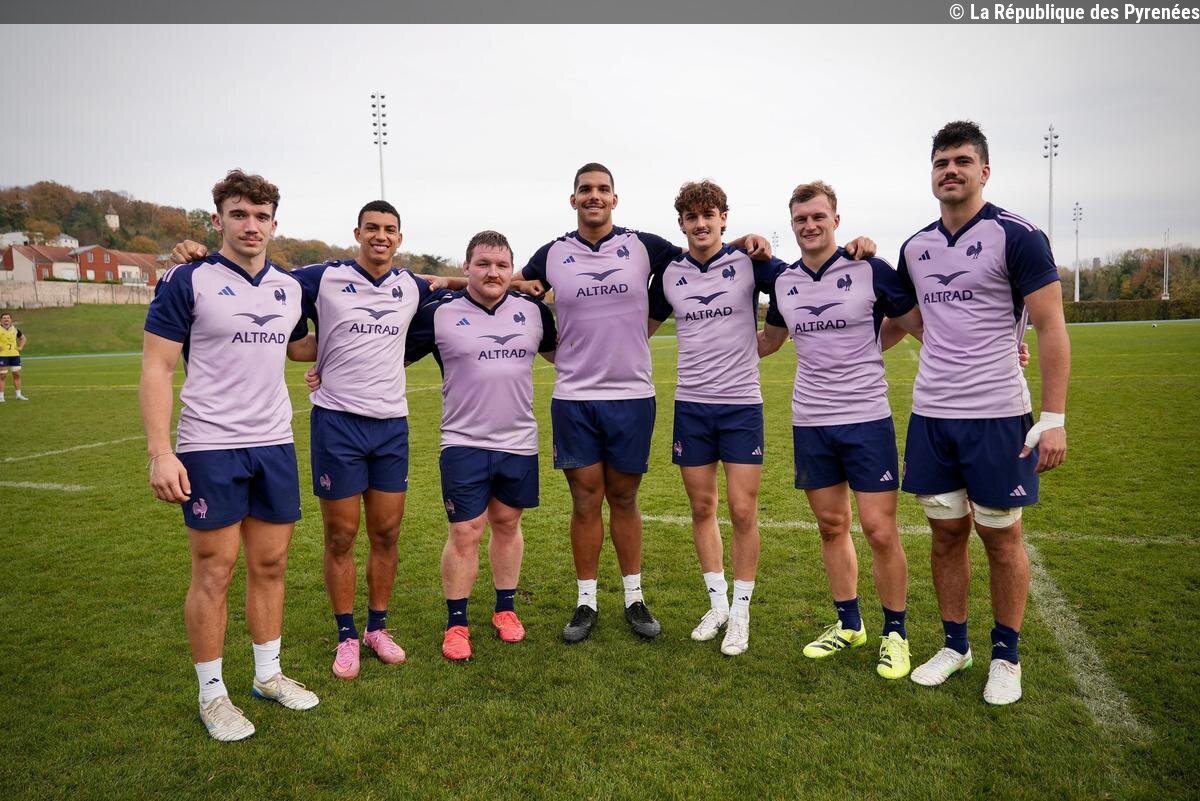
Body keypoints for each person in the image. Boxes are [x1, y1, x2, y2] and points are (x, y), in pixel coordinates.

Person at [170, 200, 434, 681]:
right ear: (357, 232)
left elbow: (452, 284)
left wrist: (516, 282)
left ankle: (377, 628)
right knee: (341, 535)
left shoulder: (411, 285)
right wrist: (197, 253)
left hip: (391, 425)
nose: (380, 236)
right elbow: (257, 275)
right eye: (372, 228)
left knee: (387, 533)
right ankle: (346, 635)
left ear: (400, 237)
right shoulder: (320, 277)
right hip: (337, 424)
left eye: (390, 229)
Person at [521, 163, 770, 643]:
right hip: (574, 397)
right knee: (584, 500)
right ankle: (586, 602)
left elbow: (703, 252)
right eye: (585, 189)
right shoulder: (552, 253)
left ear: (615, 198)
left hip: (632, 395)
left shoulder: (645, 246)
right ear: (573, 199)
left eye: (603, 189)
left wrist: (747, 241)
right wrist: (448, 283)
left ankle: (634, 598)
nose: (594, 196)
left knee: (625, 498)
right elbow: (505, 285)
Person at [895, 120, 1070, 705]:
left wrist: (1053, 418)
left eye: (962, 161)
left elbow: (1051, 327)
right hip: (932, 415)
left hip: (998, 415)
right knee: (945, 535)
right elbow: (908, 317)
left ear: (984, 171)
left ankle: (1006, 656)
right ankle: (956, 645)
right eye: (941, 162)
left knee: (1001, 536)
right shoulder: (915, 247)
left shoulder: (1017, 235)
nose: (950, 171)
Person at [141, 169, 318, 743]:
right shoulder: (187, 279)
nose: (251, 225)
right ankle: (212, 694)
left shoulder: (289, 287)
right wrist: (160, 452)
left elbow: (298, 347)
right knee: (214, 571)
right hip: (210, 446)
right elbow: (157, 367)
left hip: (274, 443)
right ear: (218, 220)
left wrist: (366, 338)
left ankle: (268, 675)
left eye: (261, 216)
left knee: (271, 565)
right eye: (239, 214)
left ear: (274, 224)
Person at [759, 181, 923, 679]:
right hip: (811, 421)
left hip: (867, 418)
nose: (810, 225)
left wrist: (1004, 347)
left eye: (818, 216)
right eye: (800, 219)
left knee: (879, 529)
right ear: (792, 225)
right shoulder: (783, 281)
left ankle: (895, 633)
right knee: (832, 526)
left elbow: (917, 323)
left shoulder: (869, 268)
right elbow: (769, 342)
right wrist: (708, 334)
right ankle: (849, 624)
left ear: (836, 219)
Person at [403, 231, 557, 661]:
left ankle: (505, 610)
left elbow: (568, 358)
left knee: (507, 524)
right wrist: (330, 371)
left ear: (512, 270)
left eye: (502, 265)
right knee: (465, 531)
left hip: (519, 441)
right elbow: (389, 357)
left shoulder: (533, 312)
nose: (493, 272)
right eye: (484, 264)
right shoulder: (439, 313)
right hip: (463, 441)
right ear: (466, 266)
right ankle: (457, 623)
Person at [0, 312, 28, 402]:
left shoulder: (15, 330)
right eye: (4, 318)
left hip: (14, 355)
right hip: (2, 355)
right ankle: (1, 396)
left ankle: (18, 395)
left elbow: (23, 338)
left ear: (11, 320)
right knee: (2, 375)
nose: (6, 319)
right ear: (1, 320)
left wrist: (20, 347)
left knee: (16, 374)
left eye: (8, 318)